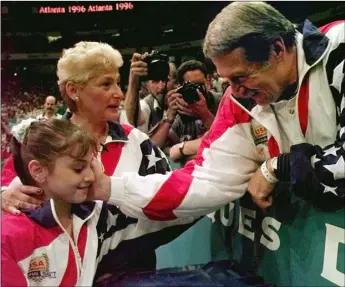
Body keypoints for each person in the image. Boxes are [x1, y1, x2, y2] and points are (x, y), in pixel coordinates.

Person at [0, 41, 197, 276]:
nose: (119, 93)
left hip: (133, 275)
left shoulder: (136, 142)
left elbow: (172, 198)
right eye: (106, 84)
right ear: (73, 91)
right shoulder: (40, 142)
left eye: (117, 82)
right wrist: (2, 197)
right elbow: (7, 193)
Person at [1, 119, 199, 286]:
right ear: (38, 171)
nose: (90, 176)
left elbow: (169, 212)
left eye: (91, 165)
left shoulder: (93, 215)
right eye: (79, 169)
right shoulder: (9, 239)